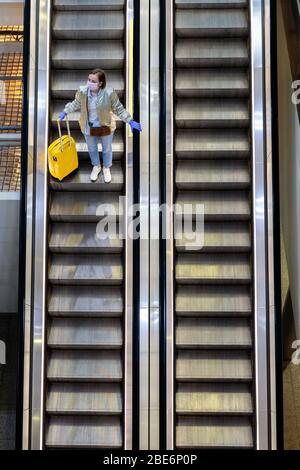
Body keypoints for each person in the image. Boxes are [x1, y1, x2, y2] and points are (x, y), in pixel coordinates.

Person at [59, 68, 142, 183]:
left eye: (93, 81)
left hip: (105, 125)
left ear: (100, 83)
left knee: (107, 149)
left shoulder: (109, 93)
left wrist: (130, 121)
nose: (89, 83)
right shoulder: (82, 92)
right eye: (89, 80)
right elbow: (75, 103)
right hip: (88, 126)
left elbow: (119, 109)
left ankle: (106, 167)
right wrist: (65, 111)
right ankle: (96, 166)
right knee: (92, 148)